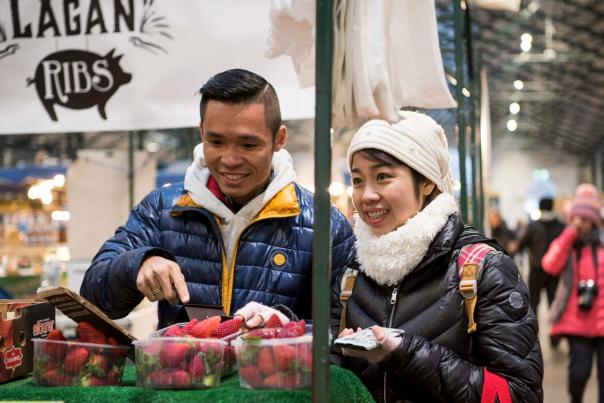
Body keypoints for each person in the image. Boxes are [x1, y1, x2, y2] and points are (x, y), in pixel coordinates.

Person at [80, 68, 355, 328]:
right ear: (202, 133)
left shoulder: (322, 223)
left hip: (274, 377)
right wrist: (138, 265)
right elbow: (93, 297)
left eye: (249, 145)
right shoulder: (161, 209)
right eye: (216, 142)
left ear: (279, 139)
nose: (230, 160)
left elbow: (339, 328)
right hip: (184, 377)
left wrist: (283, 327)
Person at [331, 111, 543, 403]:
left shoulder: (481, 269)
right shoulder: (352, 272)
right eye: (357, 180)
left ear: (428, 182)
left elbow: (518, 394)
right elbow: (331, 364)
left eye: (382, 177)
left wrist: (405, 352)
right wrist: (286, 328)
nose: (366, 195)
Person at [542, 183, 604, 403]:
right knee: (579, 373)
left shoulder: (601, 244)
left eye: (586, 219)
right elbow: (549, 265)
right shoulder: (568, 244)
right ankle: (575, 398)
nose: (582, 223)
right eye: (578, 218)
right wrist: (569, 234)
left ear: (595, 219)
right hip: (578, 321)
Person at [515, 198, 565, 322]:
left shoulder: (533, 226)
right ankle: (555, 336)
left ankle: (533, 332)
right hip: (555, 270)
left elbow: (521, 244)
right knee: (553, 301)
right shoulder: (561, 226)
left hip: (536, 269)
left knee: (533, 303)